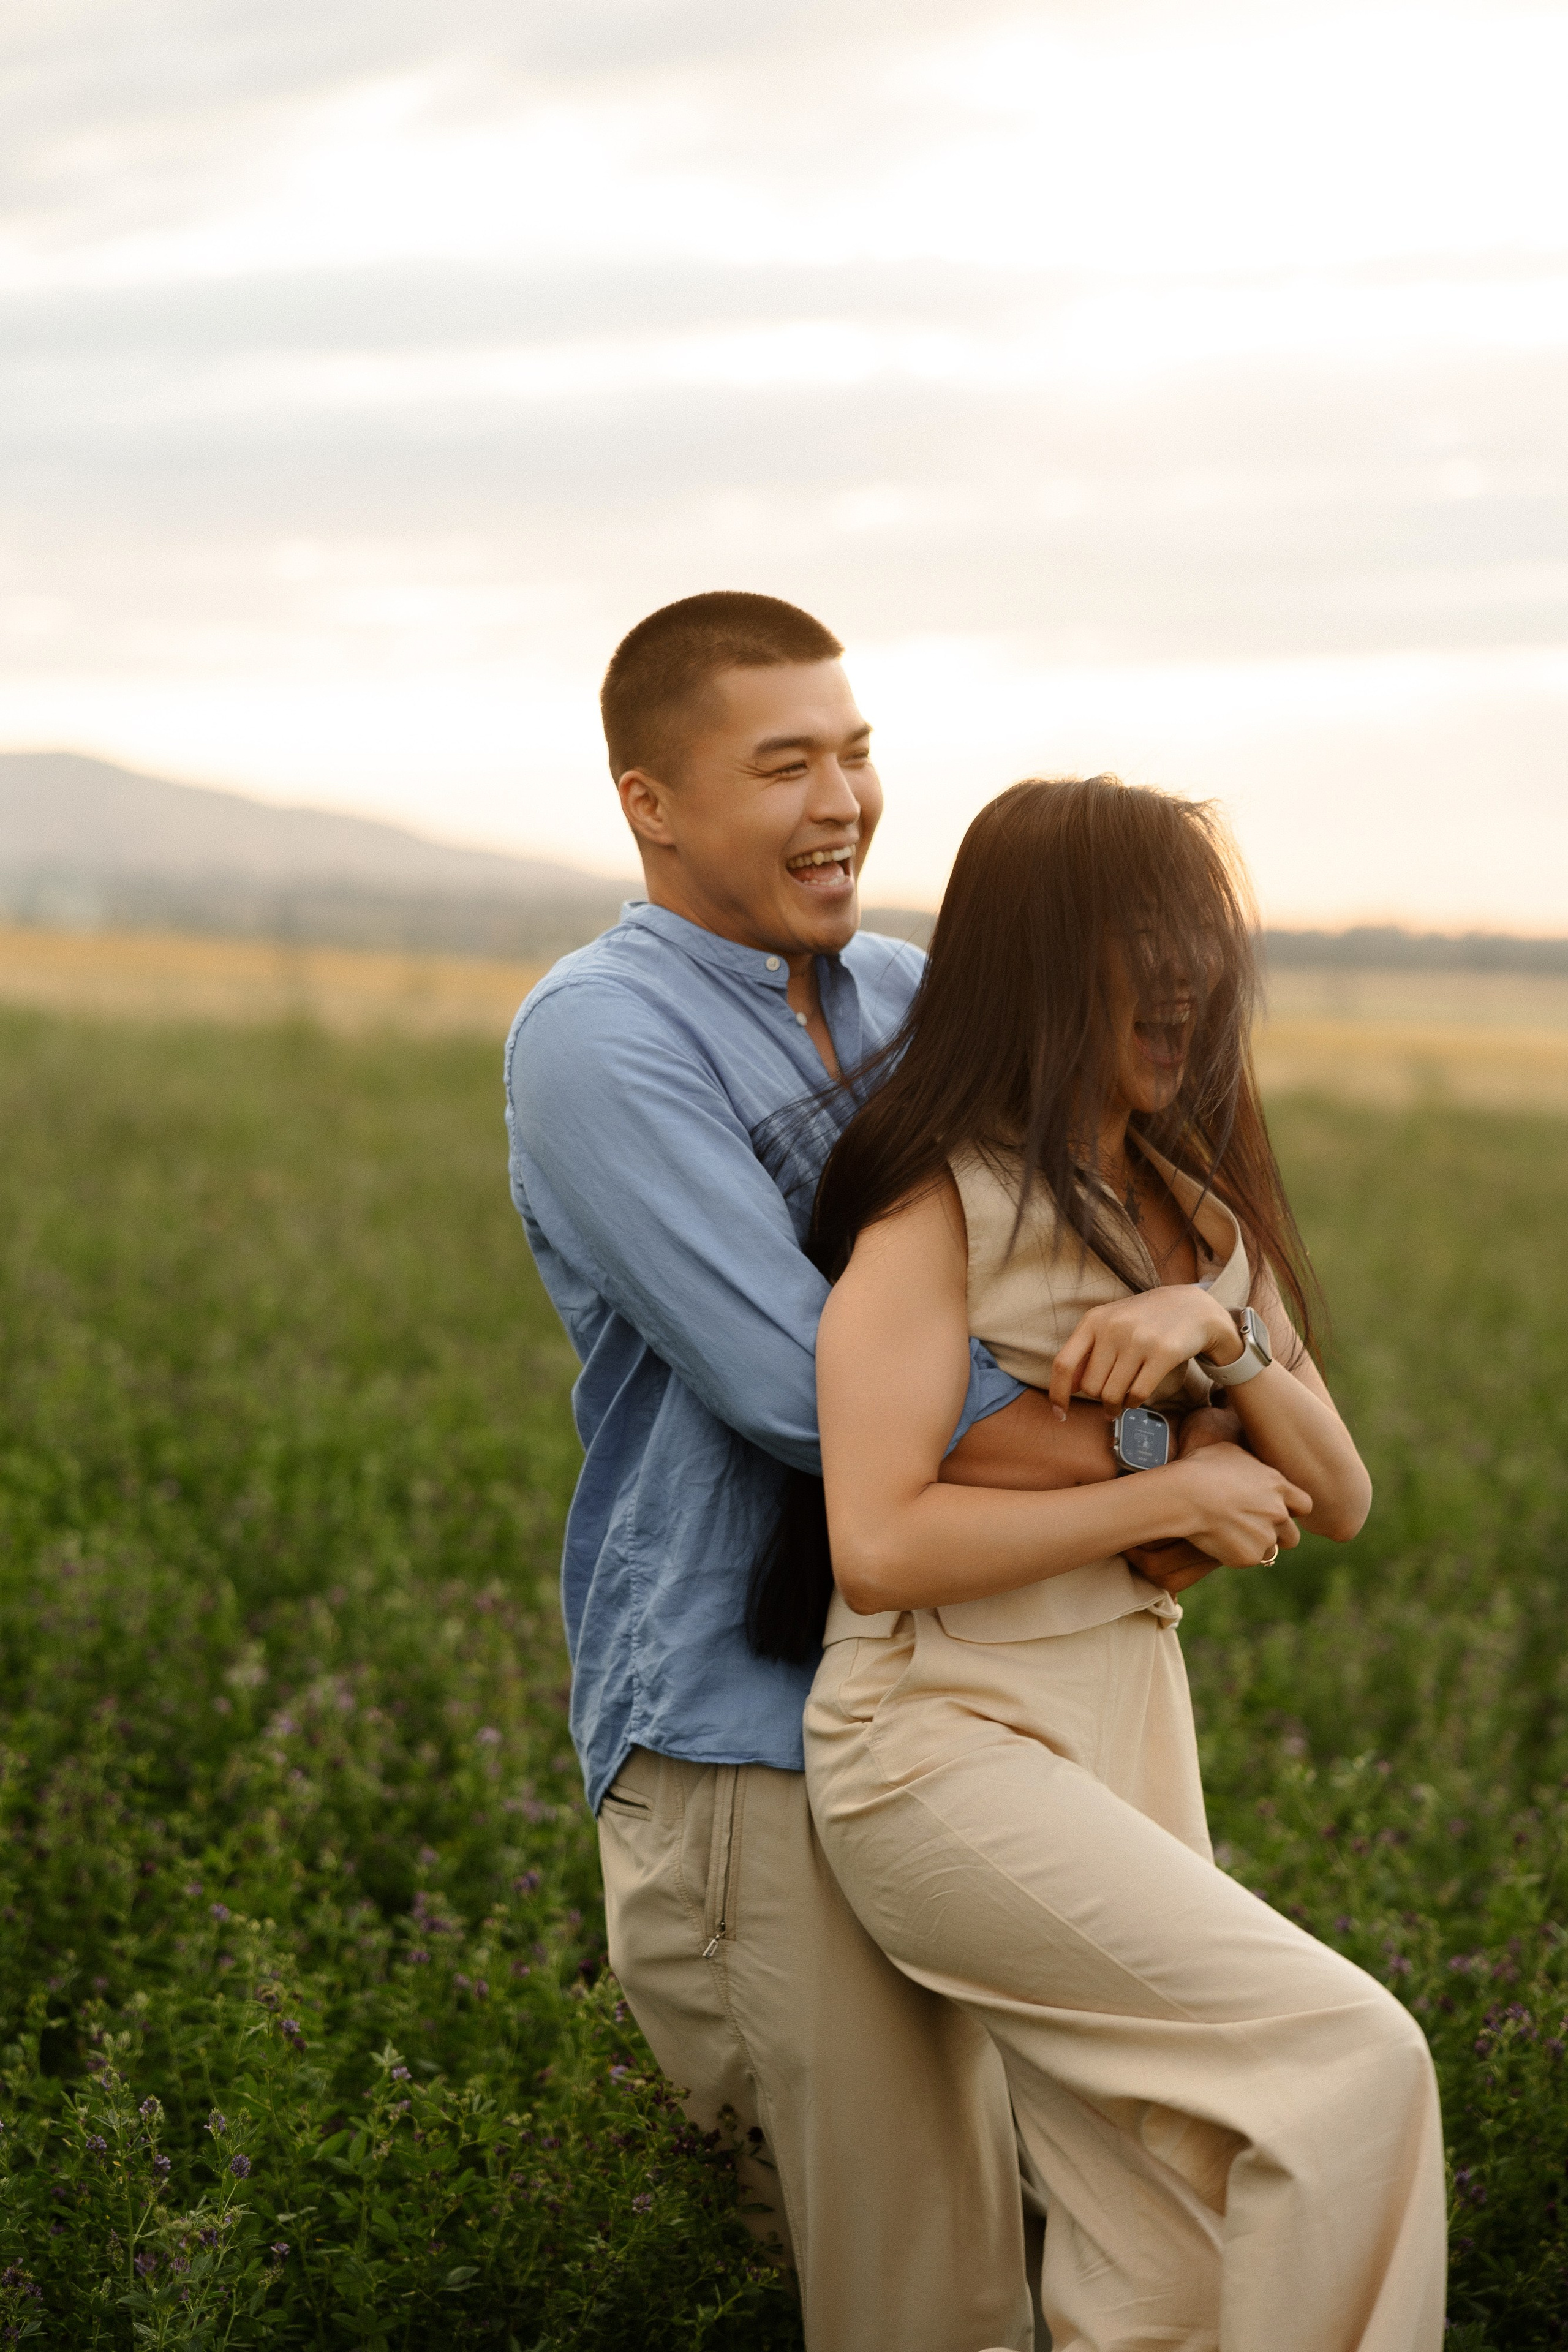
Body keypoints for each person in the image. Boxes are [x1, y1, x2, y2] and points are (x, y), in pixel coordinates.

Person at [508, 594, 1147, 2351]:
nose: (842, 798)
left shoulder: (910, 993)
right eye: (784, 763)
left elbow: (1086, 1248)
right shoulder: (598, 1035)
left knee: (1072, 2213)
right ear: (653, 801)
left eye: (855, 752)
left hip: (960, 1694)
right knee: (922, 2295)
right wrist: (1146, 1461)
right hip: (747, 1733)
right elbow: (804, 1394)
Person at [794, 775, 1447, 2352]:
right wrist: (1172, 1501)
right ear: (1038, 956)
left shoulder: (1194, 1204)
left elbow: (1340, 1491)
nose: (1185, 974)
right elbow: (879, 1541)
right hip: (940, 1734)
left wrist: (1213, 1332)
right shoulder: (937, 1198)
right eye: (1139, 936)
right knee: (1345, 2064)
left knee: (1153, 2246)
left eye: (1200, 935)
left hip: (1123, 1717)